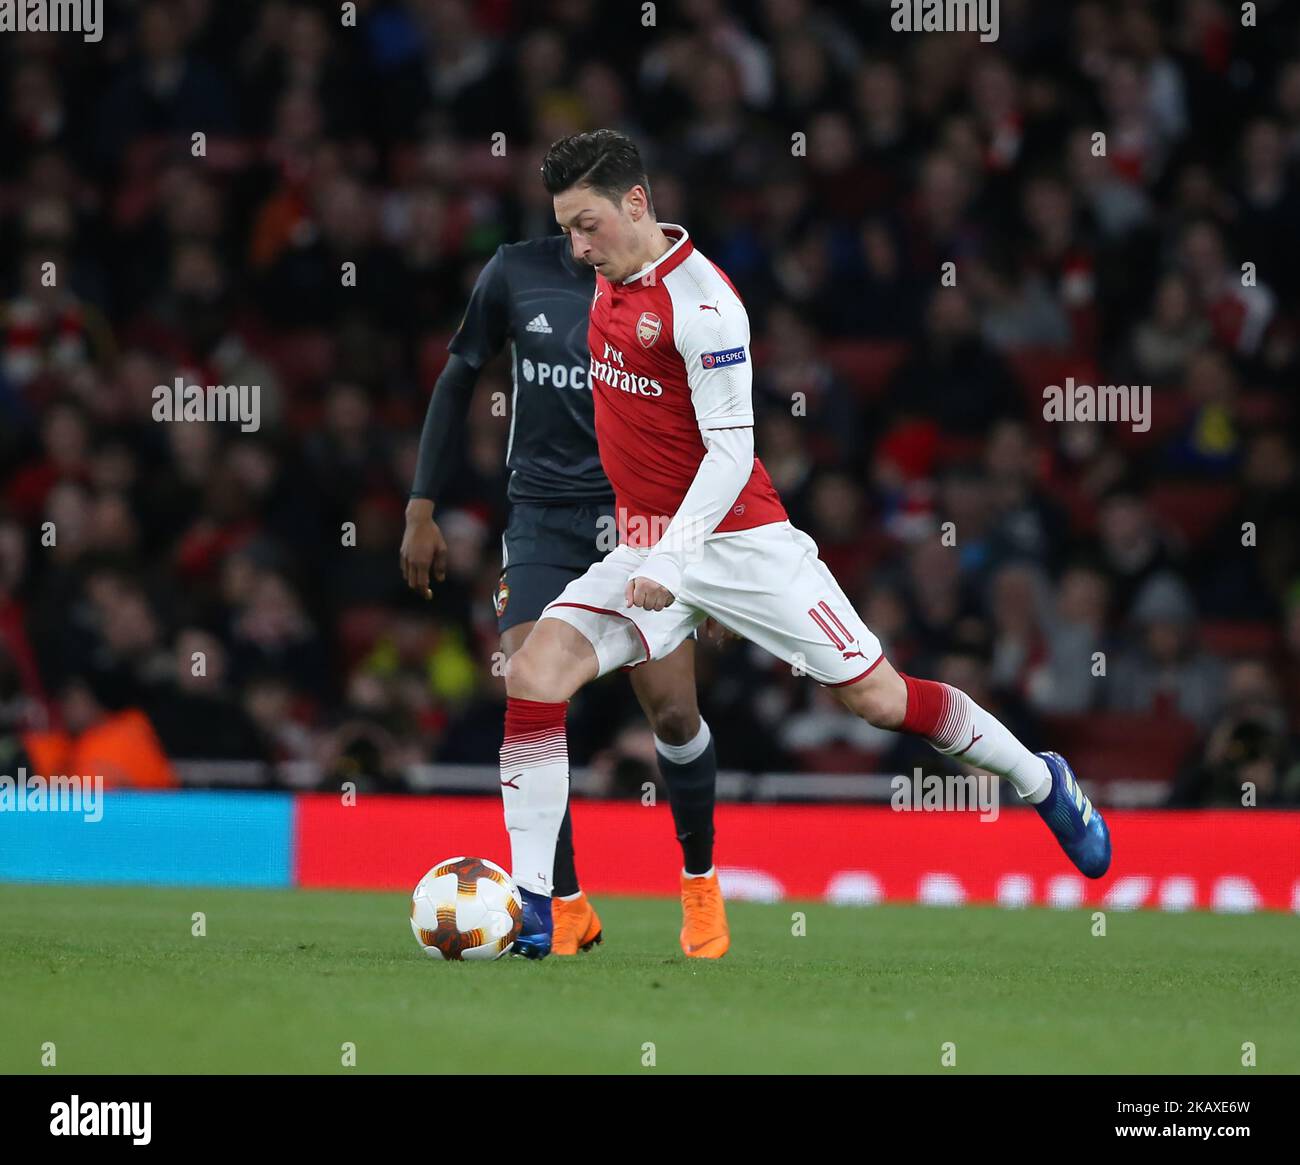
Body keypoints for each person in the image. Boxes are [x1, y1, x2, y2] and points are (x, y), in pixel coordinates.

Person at [500, 129, 1112, 958]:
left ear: (637, 203)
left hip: (743, 545)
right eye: (566, 229)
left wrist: (678, 557)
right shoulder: (608, 287)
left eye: (587, 226)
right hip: (646, 550)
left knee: (881, 700)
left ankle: (1044, 780)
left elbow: (731, 453)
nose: (576, 249)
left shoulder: (705, 304)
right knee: (535, 671)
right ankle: (536, 908)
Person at [401, 221, 729, 959]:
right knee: (531, 684)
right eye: (568, 210)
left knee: (674, 713)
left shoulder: (680, 286)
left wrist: (719, 561)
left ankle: (701, 879)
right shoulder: (515, 274)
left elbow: (720, 422)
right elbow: (459, 374)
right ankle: (564, 903)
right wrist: (421, 504)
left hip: (645, 514)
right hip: (544, 519)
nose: (581, 229)